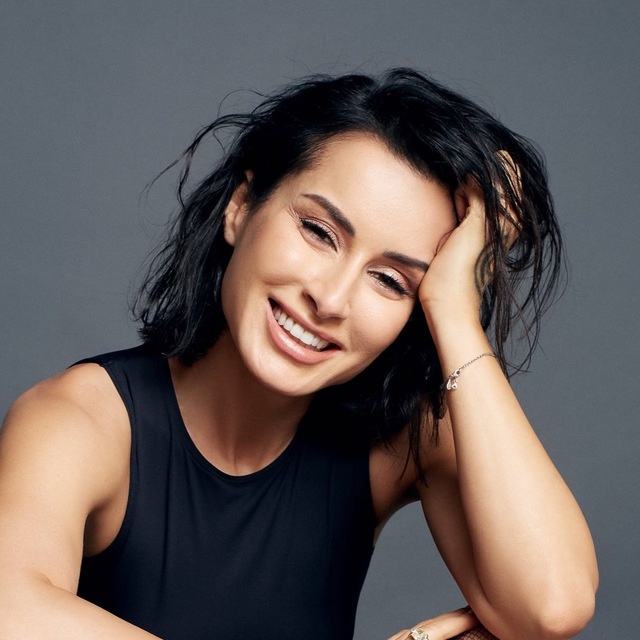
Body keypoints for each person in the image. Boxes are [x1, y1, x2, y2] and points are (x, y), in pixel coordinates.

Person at [0, 68, 597, 640]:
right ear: (242, 206)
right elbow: (10, 612)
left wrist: (455, 312)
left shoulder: (396, 439)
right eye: (318, 231)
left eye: (391, 281)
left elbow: (551, 607)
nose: (331, 299)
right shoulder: (79, 420)